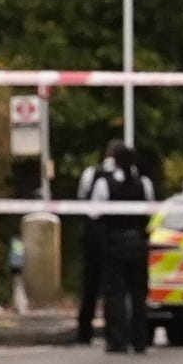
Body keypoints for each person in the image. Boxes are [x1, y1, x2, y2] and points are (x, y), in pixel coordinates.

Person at [75, 144, 154, 351]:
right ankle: (140, 340)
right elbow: (149, 212)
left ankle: (117, 340)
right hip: (137, 243)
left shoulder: (102, 183)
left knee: (115, 292)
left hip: (114, 244)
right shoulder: (143, 183)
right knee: (138, 293)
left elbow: (93, 213)